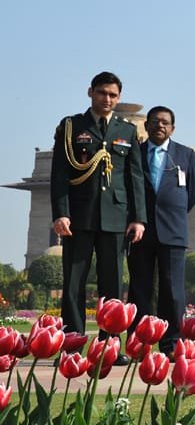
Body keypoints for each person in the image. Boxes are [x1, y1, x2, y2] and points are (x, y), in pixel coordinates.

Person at [50, 71, 146, 365]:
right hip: (78, 217)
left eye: (113, 95)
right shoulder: (71, 127)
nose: (107, 99)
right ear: (90, 92)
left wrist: (138, 218)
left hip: (115, 218)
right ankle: (72, 347)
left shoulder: (127, 131)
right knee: (73, 283)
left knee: (112, 286)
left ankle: (109, 347)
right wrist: (60, 213)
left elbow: (135, 178)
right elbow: (60, 175)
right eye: (103, 93)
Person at [127, 106, 195, 358]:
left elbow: (192, 194)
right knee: (140, 289)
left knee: (173, 291)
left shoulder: (186, 155)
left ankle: (171, 344)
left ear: (172, 128)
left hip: (173, 231)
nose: (160, 125)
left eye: (165, 122)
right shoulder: (134, 152)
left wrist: (171, 213)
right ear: (146, 126)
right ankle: (138, 345)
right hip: (140, 230)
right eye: (155, 121)